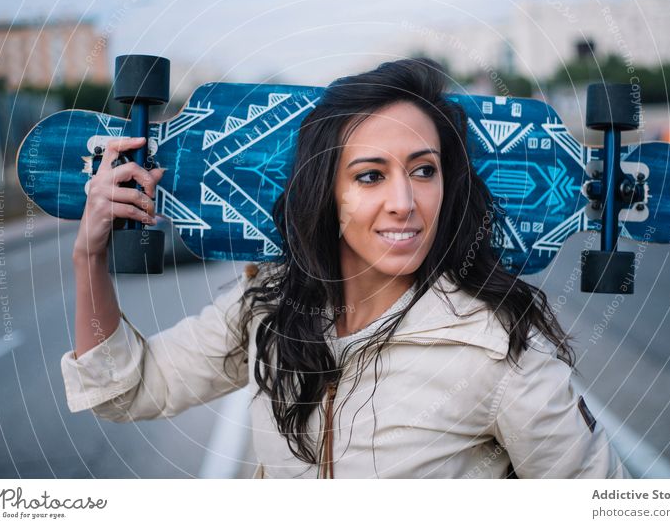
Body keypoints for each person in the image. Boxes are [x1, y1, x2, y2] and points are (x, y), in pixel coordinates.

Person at [62, 58, 629, 479]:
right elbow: (127, 390)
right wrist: (89, 255)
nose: (405, 201)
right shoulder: (272, 311)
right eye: (369, 175)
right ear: (325, 193)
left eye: (424, 170)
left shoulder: (499, 351)